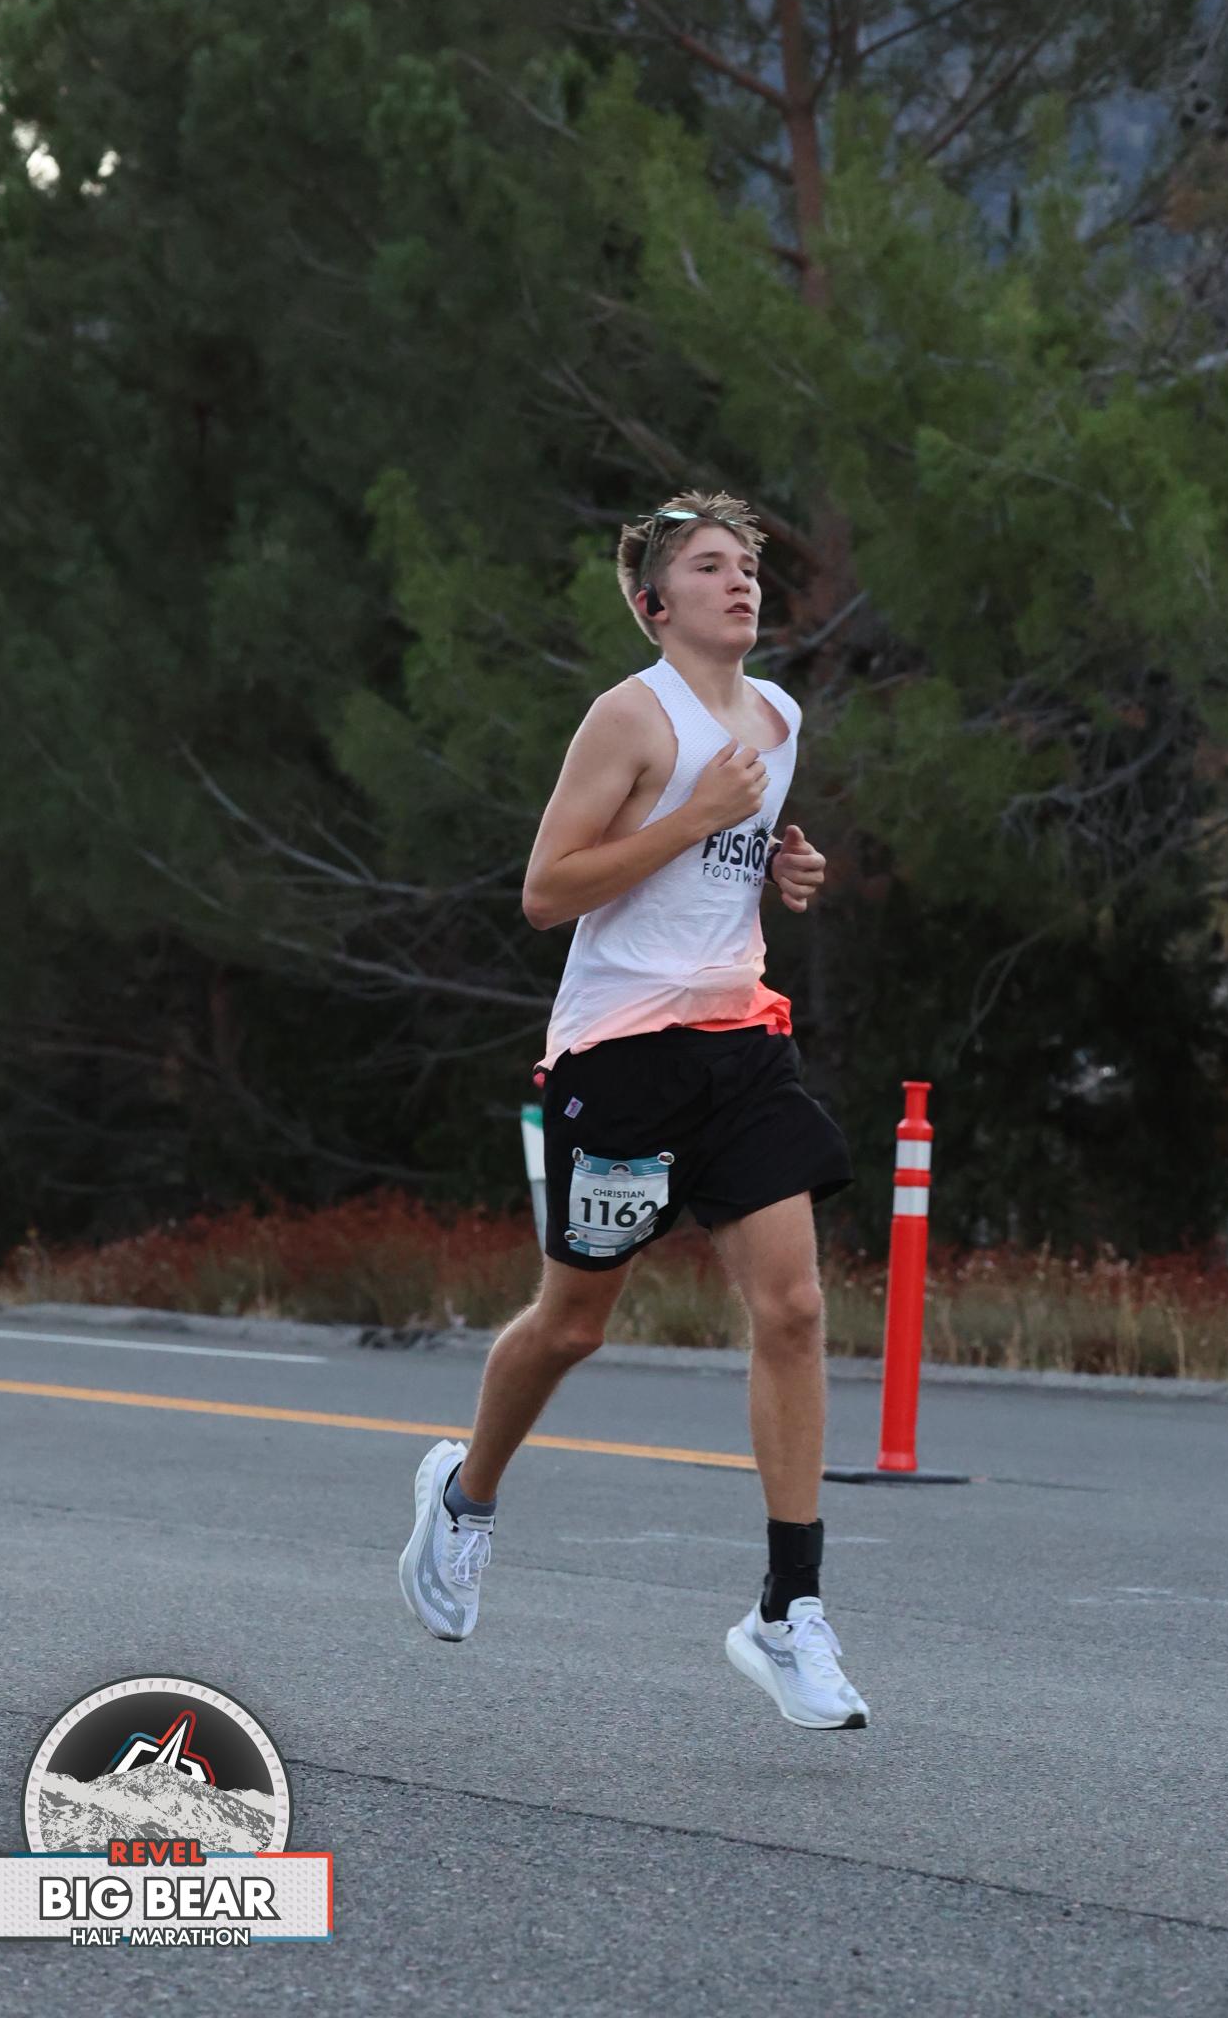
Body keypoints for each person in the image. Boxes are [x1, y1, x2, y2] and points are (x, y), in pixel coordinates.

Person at [398, 490, 868, 1729]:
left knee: (793, 1307)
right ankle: (464, 1496)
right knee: (572, 1326)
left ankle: (787, 1611)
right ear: (655, 604)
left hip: (741, 1045)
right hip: (619, 1057)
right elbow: (547, 892)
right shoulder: (629, 717)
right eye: (709, 568)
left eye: (746, 565)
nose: (739, 582)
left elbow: (727, 871)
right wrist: (695, 817)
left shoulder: (777, 717)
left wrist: (782, 864)